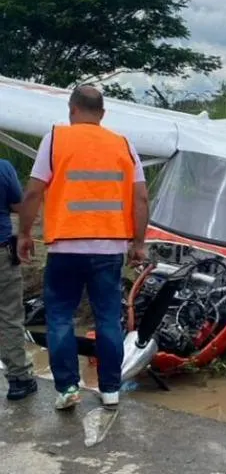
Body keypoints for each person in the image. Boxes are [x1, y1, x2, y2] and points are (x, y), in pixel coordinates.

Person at [17, 85, 149, 410]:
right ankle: (110, 390)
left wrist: (23, 235)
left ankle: (66, 389)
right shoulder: (123, 143)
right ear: (102, 114)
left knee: (60, 316)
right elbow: (141, 196)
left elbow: (33, 193)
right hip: (109, 249)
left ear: (72, 110)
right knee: (106, 318)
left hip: (64, 247)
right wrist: (138, 243)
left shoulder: (55, 139)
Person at [0, 158, 37, 400]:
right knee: (9, 316)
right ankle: (19, 379)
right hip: (1, 253)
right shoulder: (3, 167)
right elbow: (18, 204)